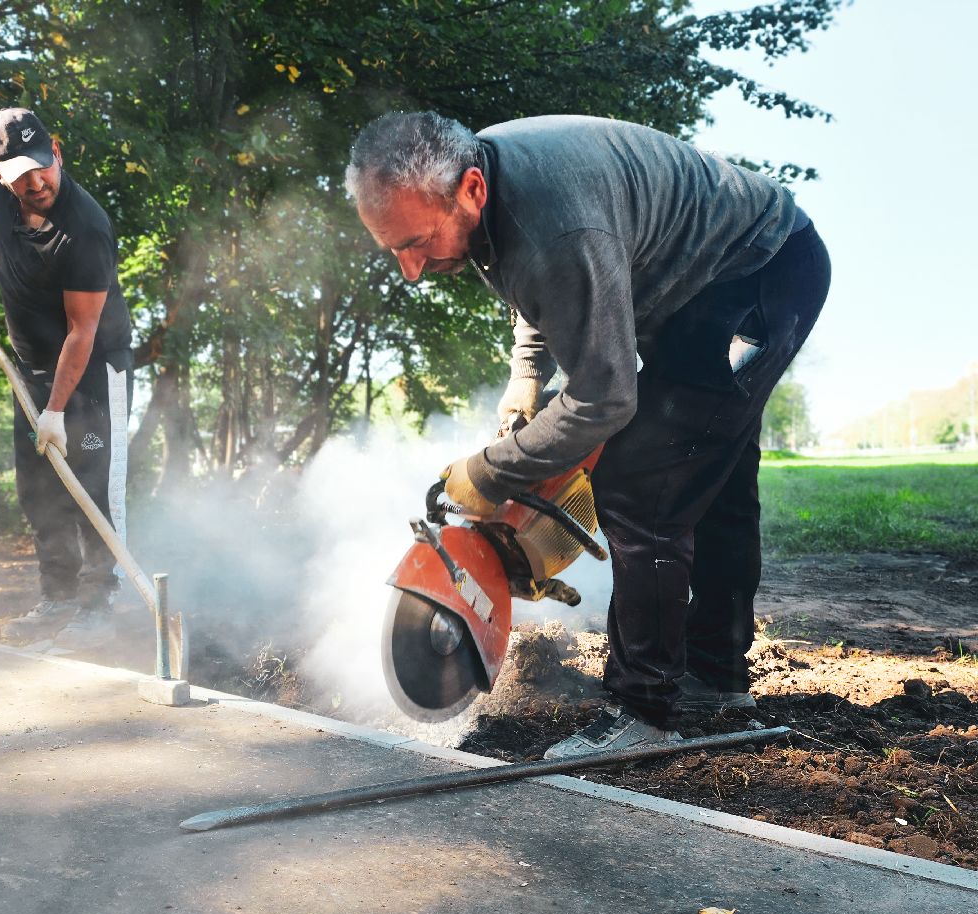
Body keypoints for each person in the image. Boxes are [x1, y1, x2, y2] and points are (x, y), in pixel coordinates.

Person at [345, 112, 830, 760]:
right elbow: (539, 286)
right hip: (698, 286)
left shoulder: (556, 221)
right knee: (714, 471)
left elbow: (605, 396)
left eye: (416, 241)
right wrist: (526, 379)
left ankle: (643, 711)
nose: (411, 268)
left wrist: (491, 472)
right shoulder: (494, 187)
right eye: (394, 250)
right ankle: (716, 678)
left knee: (646, 483)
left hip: (762, 272)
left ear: (470, 190)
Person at [0, 108, 133, 645]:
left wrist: (55, 411)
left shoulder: (87, 228)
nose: (38, 180)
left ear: (58, 152)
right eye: (21, 171)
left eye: (44, 165)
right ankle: (59, 597)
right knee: (38, 488)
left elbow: (82, 330)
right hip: (31, 370)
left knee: (91, 487)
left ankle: (99, 604)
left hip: (93, 369)